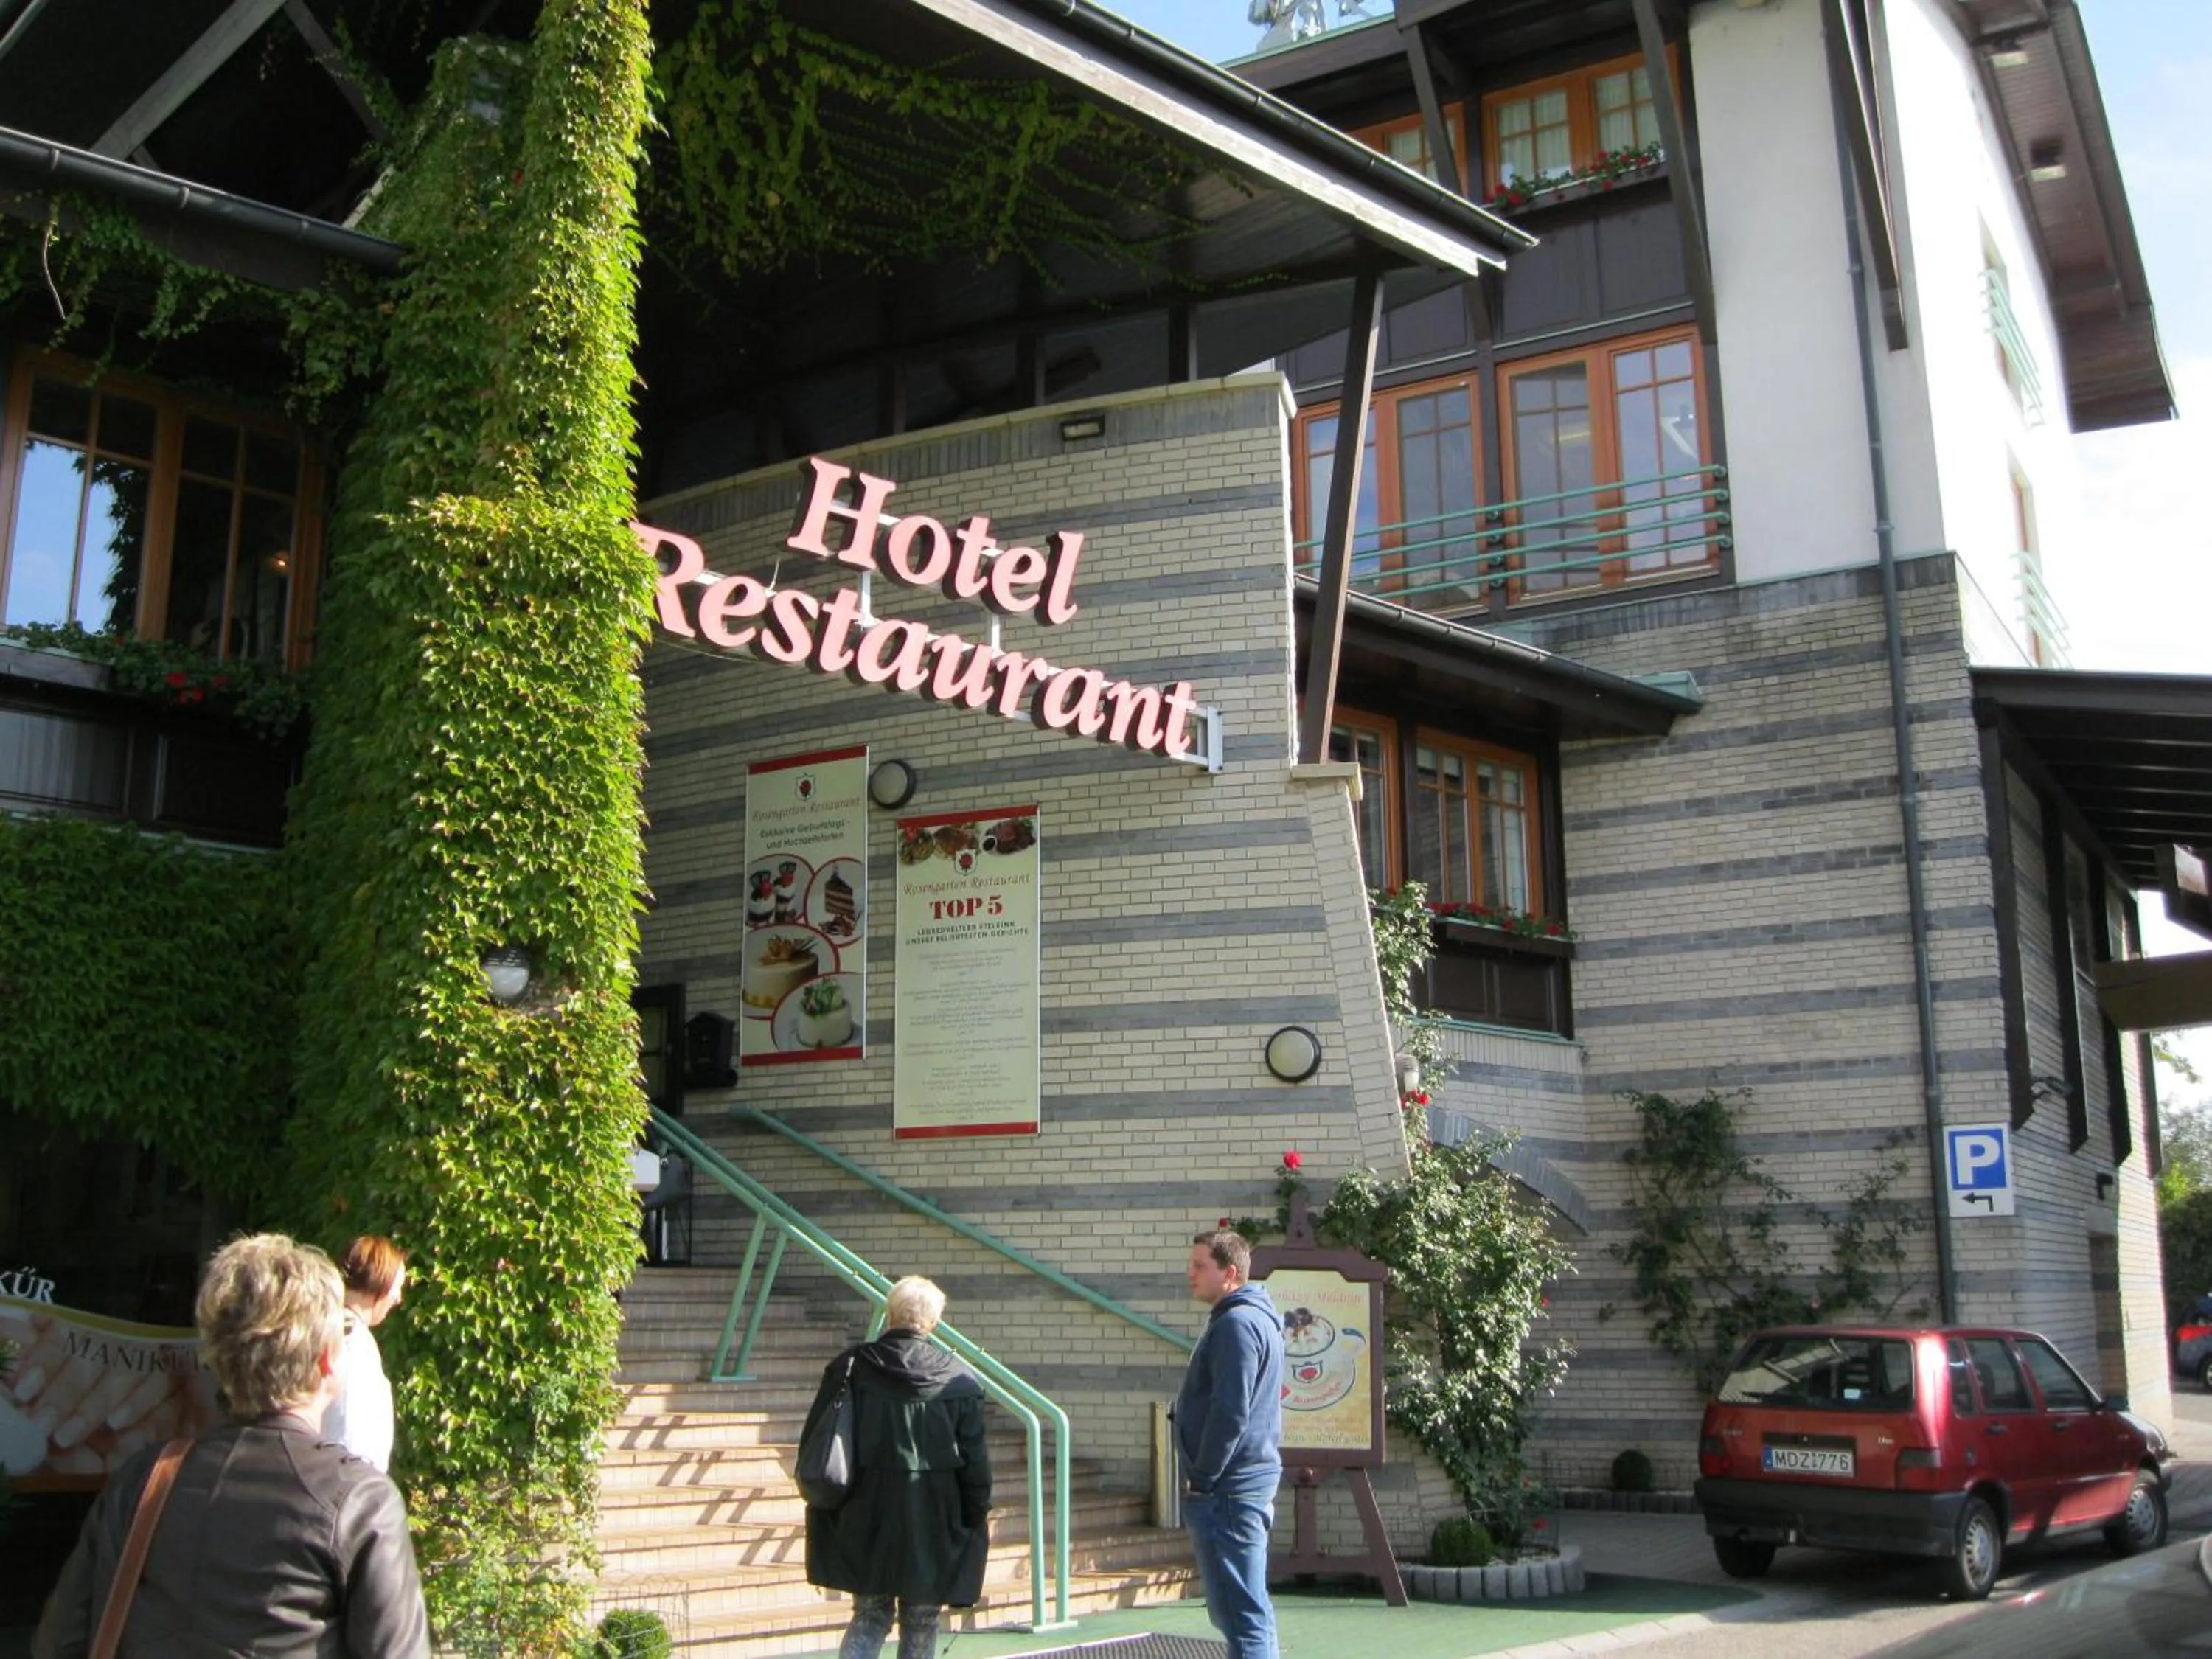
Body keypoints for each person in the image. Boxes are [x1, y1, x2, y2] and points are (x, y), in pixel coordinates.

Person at [33, 1231, 430, 1658]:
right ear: (327, 1360)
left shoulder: (142, 1480)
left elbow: (61, 1643)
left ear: (217, 1354)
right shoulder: (360, 1502)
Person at [802, 1275, 991, 1659]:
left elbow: (818, 1441)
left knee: (870, 1614)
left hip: (864, 1509)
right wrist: (975, 1513)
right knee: (922, 1618)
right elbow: (975, 1463)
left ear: (889, 1315)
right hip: (933, 1513)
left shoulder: (851, 1368)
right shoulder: (958, 1380)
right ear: (933, 1322)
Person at [1176, 1228, 1286, 1659]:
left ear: (1231, 1272)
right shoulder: (1252, 1318)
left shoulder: (1238, 1325)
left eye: (1200, 1266)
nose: (1191, 1274)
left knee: (1241, 1616)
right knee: (1248, 1610)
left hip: (1229, 1490)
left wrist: (1203, 1476)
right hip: (1240, 1484)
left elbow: (1231, 1412)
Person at [326, 1235, 408, 1472]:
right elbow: (351, 1435)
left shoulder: (324, 1328)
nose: (398, 1298)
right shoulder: (354, 1345)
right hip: (348, 1488)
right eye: (397, 1287)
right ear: (380, 1282)